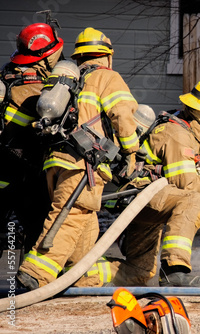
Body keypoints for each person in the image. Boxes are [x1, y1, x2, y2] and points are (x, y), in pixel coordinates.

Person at [16, 27, 140, 290]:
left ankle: (81, 276)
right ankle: (34, 273)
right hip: (83, 164)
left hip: (55, 162)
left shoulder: (69, 79)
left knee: (85, 223)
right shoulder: (108, 77)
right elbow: (122, 115)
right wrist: (131, 152)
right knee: (69, 217)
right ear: (107, 56)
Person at [108, 79, 200, 287]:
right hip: (145, 196)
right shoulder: (178, 135)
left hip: (150, 200)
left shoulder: (189, 130)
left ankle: (82, 274)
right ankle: (174, 271)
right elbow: (187, 183)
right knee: (192, 201)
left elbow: (192, 167)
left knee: (139, 271)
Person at [0, 22, 64, 254]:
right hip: (24, 172)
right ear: (46, 56)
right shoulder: (38, 92)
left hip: (6, 169)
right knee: (39, 232)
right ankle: (28, 285)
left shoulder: (7, 75)